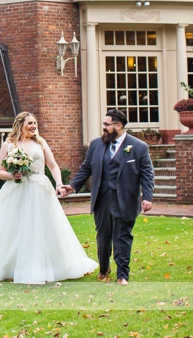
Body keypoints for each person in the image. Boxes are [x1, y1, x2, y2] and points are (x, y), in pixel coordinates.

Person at [0, 111, 98, 284]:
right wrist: (13, 176)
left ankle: (52, 266)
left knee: (44, 227)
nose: (34, 126)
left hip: (39, 189)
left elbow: (53, 165)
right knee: (15, 228)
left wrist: (58, 183)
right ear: (20, 125)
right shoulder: (9, 145)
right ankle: (10, 267)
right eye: (30, 123)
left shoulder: (41, 143)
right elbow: (0, 172)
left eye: (35, 123)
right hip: (17, 190)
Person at [59, 109, 154, 285]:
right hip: (102, 200)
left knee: (122, 237)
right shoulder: (96, 145)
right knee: (103, 237)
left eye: (106, 124)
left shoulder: (139, 147)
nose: (103, 128)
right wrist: (72, 186)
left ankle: (122, 275)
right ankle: (104, 269)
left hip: (126, 200)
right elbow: (86, 168)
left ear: (118, 126)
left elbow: (147, 174)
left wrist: (147, 197)